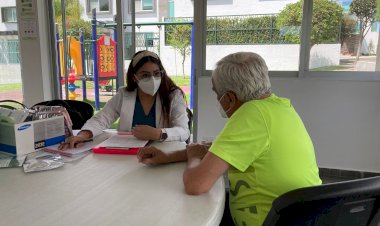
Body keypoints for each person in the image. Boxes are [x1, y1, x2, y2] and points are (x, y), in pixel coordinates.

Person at [137, 52, 322, 226]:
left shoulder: (251, 114)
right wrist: (167, 157)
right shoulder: (279, 107)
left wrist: (193, 158)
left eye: (217, 94)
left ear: (230, 98)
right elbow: (220, 151)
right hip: (298, 217)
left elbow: (196, 185)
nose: (217, 99)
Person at [59, 50, 190, 150]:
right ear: (134, 77)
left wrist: (158, 133)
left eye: (156, 73)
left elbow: (184, 131)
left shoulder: (173, 95)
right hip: (127, 153)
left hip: (161, 153)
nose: (152, 79)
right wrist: (83, 135)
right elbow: (102, 118)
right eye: (145, 75)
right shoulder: (124, 94)